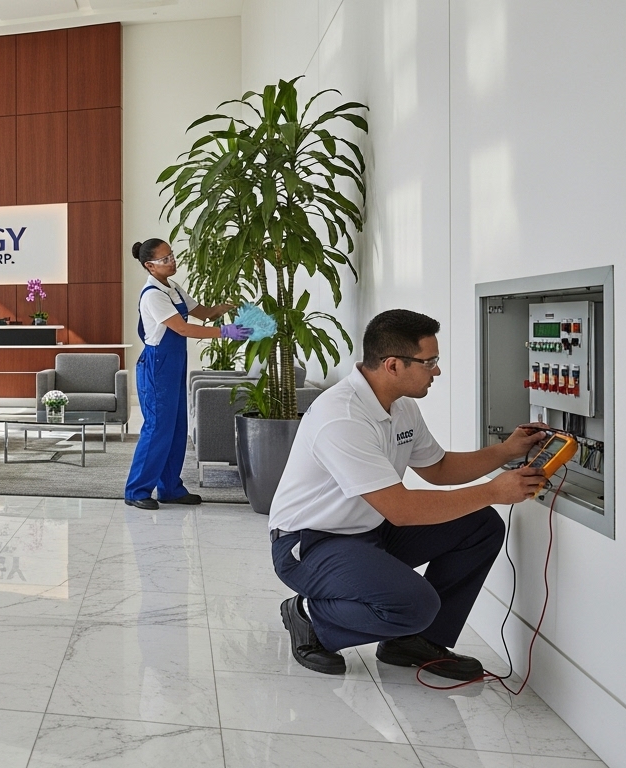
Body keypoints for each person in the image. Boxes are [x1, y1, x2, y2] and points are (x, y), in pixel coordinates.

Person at [269, 309, 548, 680]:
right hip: (310, 543)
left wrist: (506, 451)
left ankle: (413, 642)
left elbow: (439, 468)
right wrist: (493, 490)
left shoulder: (402, 407)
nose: (437, 371)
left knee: (480, 525)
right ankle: (308, 616)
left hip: (369, 530)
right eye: (429, 362)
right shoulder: (342, 417)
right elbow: (400, 509)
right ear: (393, 365)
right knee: (414, 604)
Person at [124, 239, 251, 510]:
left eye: (171, 255)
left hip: (174, 364)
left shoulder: (173, 288)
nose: (172, 261)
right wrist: (225, 332)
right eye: (165, 259)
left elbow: (203, 313)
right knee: (157, 428)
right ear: (149, 266)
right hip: (157, 365)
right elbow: (182, 328)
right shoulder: (153, 294)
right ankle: (136, 490)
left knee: (177, 427)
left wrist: (228, 307)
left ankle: (170, 488)